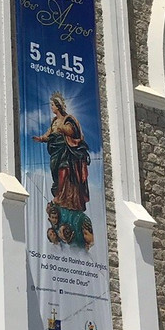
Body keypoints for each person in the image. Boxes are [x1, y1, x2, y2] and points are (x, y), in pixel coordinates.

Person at [34, 93, 94, 248]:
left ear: (58, 106)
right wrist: (42, 138)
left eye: (53, 105)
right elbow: (49, 134)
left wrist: (63, 129)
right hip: (57, 152)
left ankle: (65, 198)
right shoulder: (54, 121)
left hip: (68, 154)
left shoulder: (68, 119)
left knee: (65, 174)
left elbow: (74, 132)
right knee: (56, 173)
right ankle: (60, 196)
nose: (51, 108)